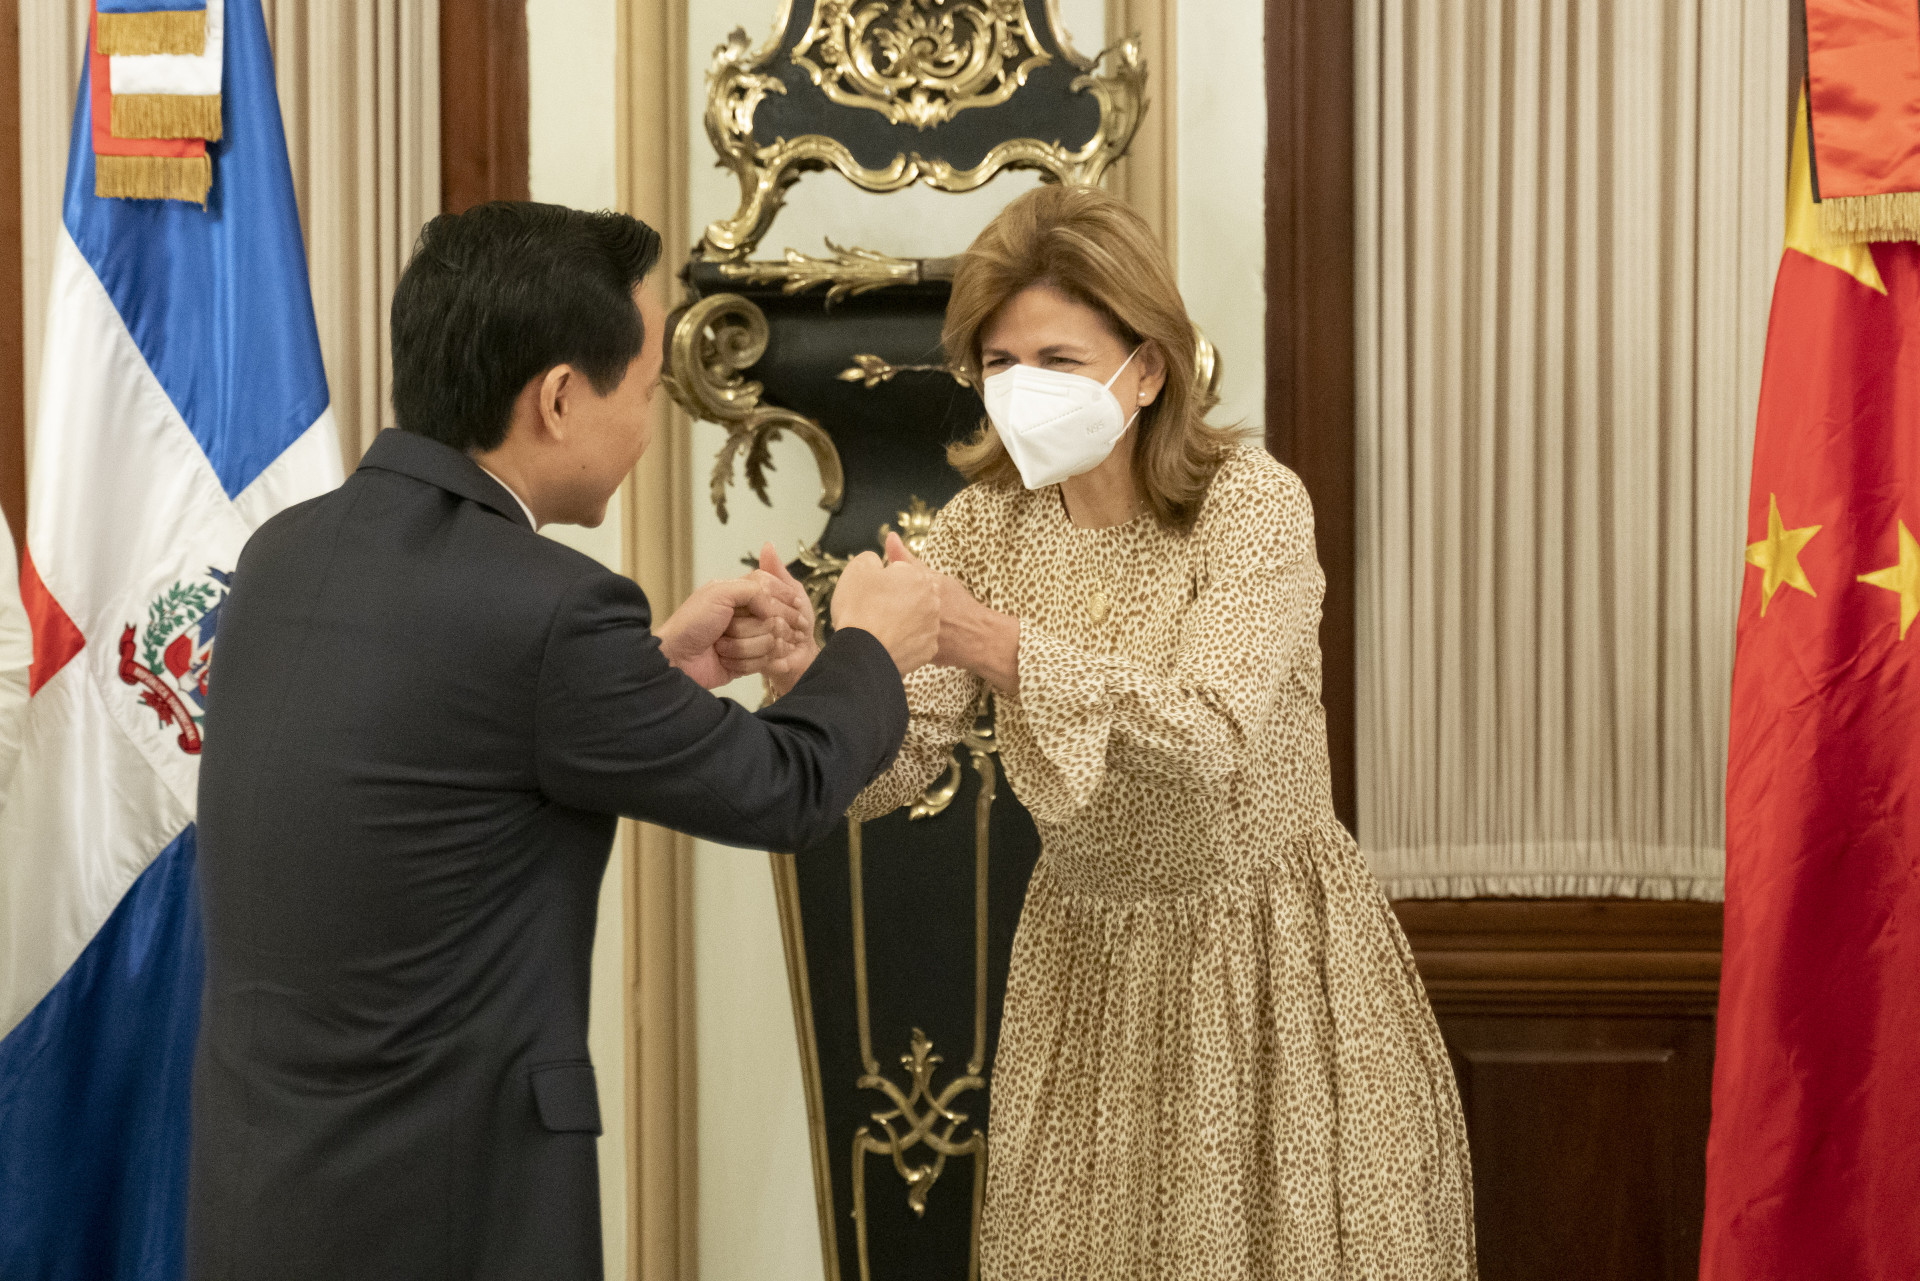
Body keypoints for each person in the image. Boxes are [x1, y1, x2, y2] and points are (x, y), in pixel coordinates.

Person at [188, 202, 940, 1280]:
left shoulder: (282, 553)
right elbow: (785, 788)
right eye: (646, 392)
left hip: (263, 1199)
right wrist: (872, 644)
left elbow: (439, 752)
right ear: (556, 398)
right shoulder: (553, 611)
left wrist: (652, 671)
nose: (647, 427)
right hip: (447, 1213)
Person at [788, 185, 1476, 1276]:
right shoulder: (985, 527)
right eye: (999, 363)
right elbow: (896, 765)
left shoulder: (1250, 505)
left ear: (1148, 368)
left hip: (1266, 967)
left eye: (1058, 360)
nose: (1023, 389)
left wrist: (997, 643)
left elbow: (1208, 732)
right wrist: (817, 677)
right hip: (1087, 972)